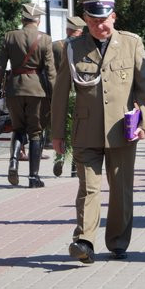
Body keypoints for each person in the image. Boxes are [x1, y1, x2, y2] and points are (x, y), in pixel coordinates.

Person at [51, 0, 145, 264]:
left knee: (121, 189)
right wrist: (57, 133)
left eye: (104, 20)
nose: (100, 25)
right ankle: (85, 241)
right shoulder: (73, 48)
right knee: (89, 188)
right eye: (94, 21)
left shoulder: (131, 43)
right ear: (86, 20)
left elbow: (144, 87)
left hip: (122, 129)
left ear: (114, 17)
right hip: (86, 130)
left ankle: (118, 242)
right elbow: (60, 93)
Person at [0, 3, 57, 188]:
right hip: (37, 90)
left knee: (18, 128)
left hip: (14, 89)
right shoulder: (45, 39)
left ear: (22, 19)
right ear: (38, 20)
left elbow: (0, 67)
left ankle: (13, 161)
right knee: (35, 132)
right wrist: (54, 95)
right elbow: (50, 71)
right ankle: (33, 177)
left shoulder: (10, 36)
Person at [52, 16, 85, 178]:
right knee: (77, 129)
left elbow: (50, 70)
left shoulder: (56, 46)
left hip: (61, 92)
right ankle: (75, 166)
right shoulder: (84, 46)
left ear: (67, 30)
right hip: (79, 92)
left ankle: (59, 157)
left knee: (61, 127)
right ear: (81, 31)